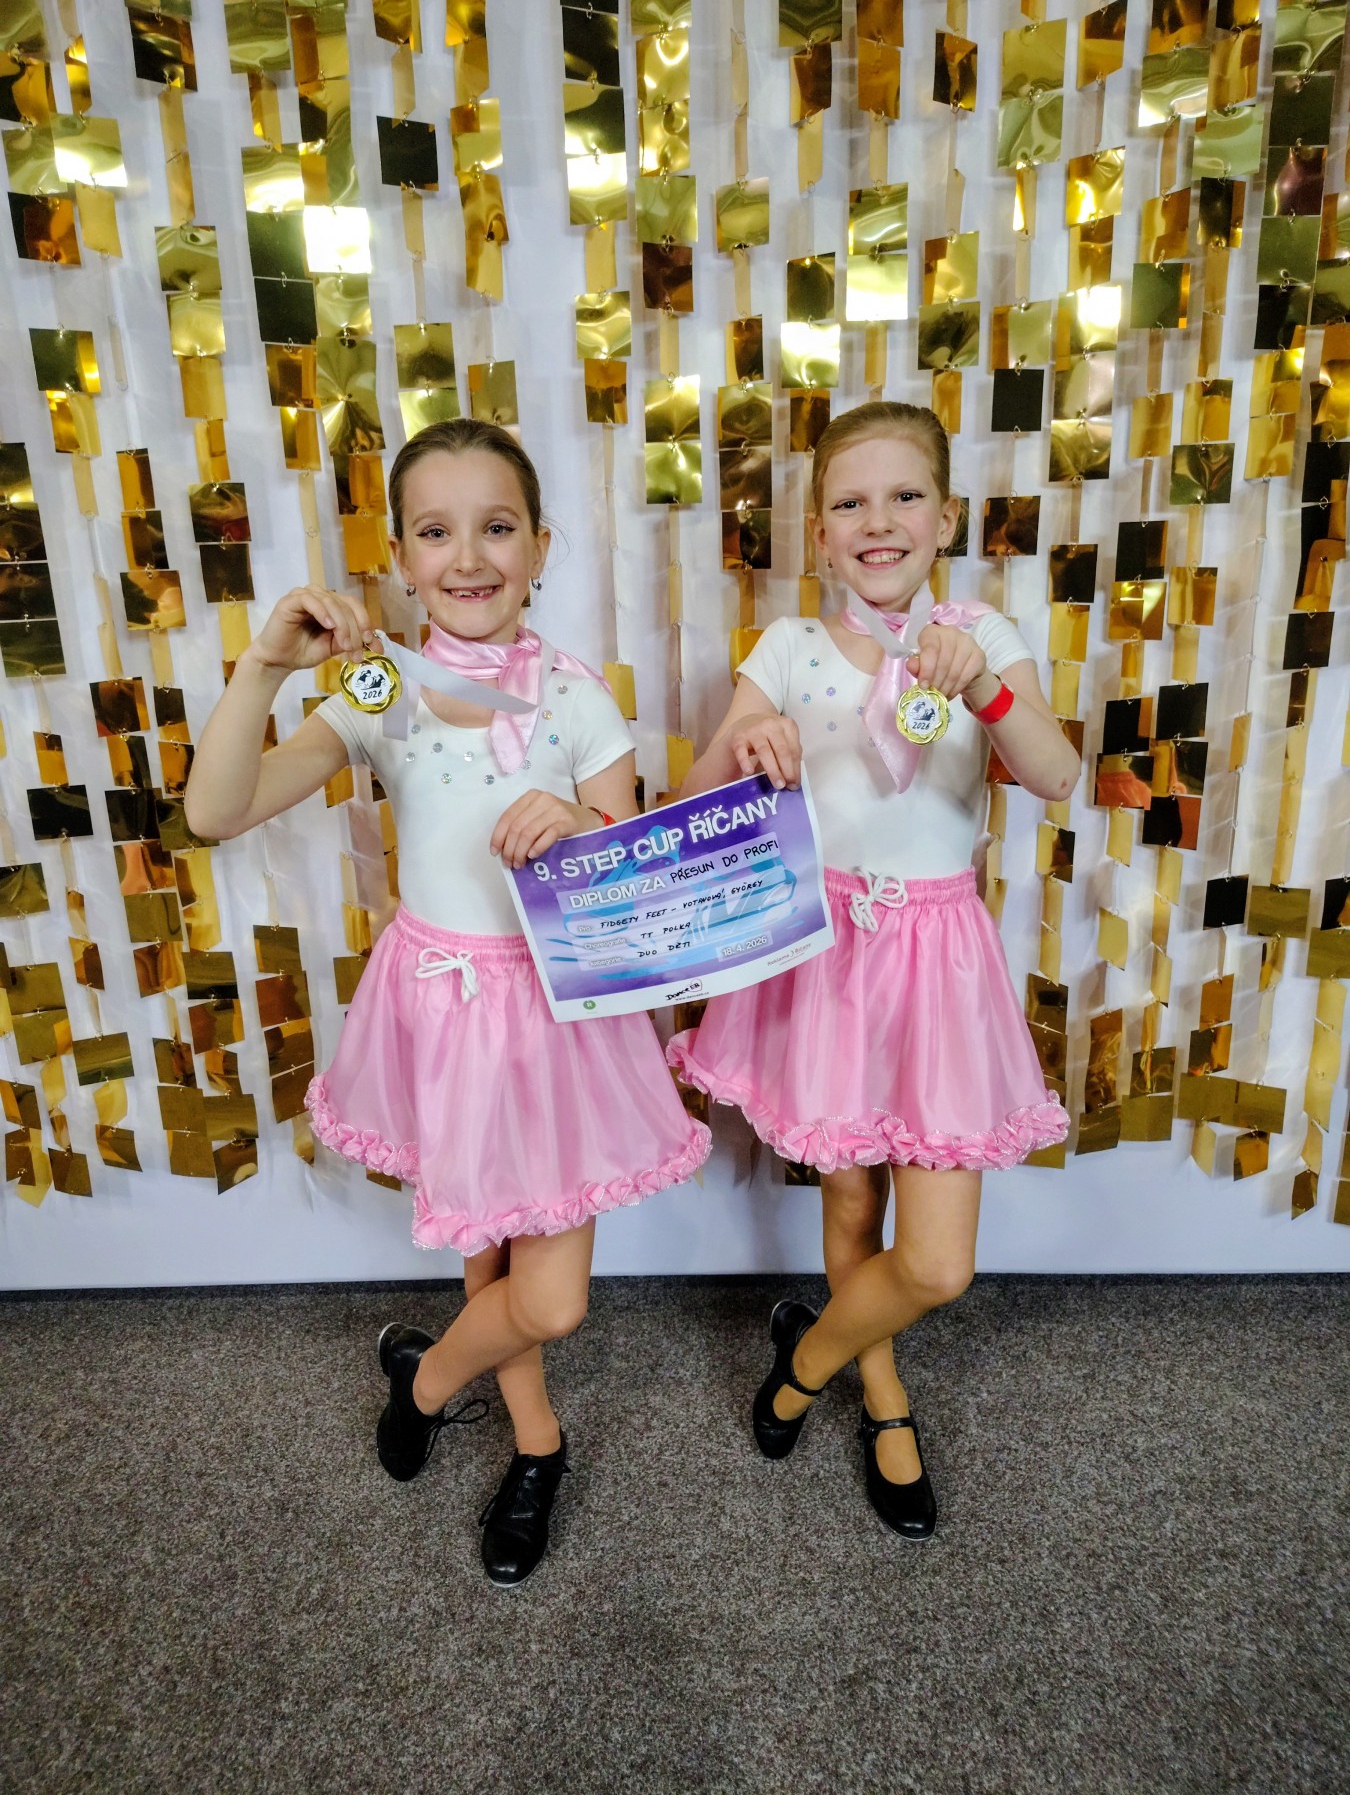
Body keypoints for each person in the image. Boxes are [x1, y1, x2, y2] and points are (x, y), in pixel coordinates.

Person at [185, 418, 710, 1585]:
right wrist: (265, 667)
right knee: (489, 1266)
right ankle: (538, 1443)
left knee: (549, 1298)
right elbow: (217, 811)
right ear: (401, 555)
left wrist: (583, 823)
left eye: (497, 527)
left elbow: (635, 879)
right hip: (438, 1010)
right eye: (436, 532)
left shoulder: (575, 696)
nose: (468, 556)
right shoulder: (380, 694)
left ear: (540, 547)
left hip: (558, 1017)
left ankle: (422, 1383)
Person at [669, 401, 1076, 1540]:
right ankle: (885, 1397)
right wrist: (744, 749)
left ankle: (806, 1361)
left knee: (936, 1261)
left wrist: (987, 689)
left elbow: (1056, 774)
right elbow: (694, 797)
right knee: (851, 1195)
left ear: (946, 518)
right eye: (850, 503)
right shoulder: (790, 648)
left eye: (905, 497)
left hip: (937, 964)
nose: (878, 521)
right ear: (820, 534)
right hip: (826, 956)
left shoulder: (981, 634)